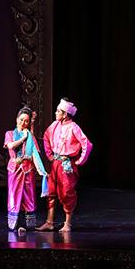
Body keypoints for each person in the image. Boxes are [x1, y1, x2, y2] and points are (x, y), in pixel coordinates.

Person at [38, 97, 92, 232]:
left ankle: (67, 223)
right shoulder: (54, 125)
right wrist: (49, 155)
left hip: (67, 164)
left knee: (66, 192)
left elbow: (87, 144)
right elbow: (46, 137)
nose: (55, 113)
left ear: (65, 114)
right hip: (56, 163)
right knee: (51, 191)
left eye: (58, 111)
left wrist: (80, 160)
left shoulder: (74, 127)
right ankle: (49, 222)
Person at [3, 106, 46, 232]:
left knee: (28, 196)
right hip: (15, 169)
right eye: (21, 120)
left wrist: (28, 160)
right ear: (17, 119)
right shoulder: (10, 134)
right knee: (14, 196)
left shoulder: (31, 136)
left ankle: (27, 225)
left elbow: (35, 155)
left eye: (26, 121)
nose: (23, 123)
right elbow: (11, 146)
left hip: (27, 169)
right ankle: (15, 225)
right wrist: (23, 138)